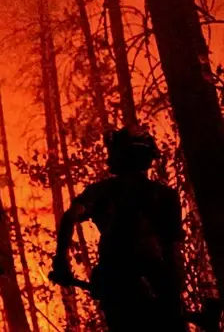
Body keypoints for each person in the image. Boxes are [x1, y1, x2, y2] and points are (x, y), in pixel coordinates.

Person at [50, 127, 187, 332]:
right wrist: (173, 292)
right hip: (155, 281)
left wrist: (61, 259)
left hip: (118, 283)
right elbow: (173, 247)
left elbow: (71, 216)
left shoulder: (101, 191)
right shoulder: (165, 195)